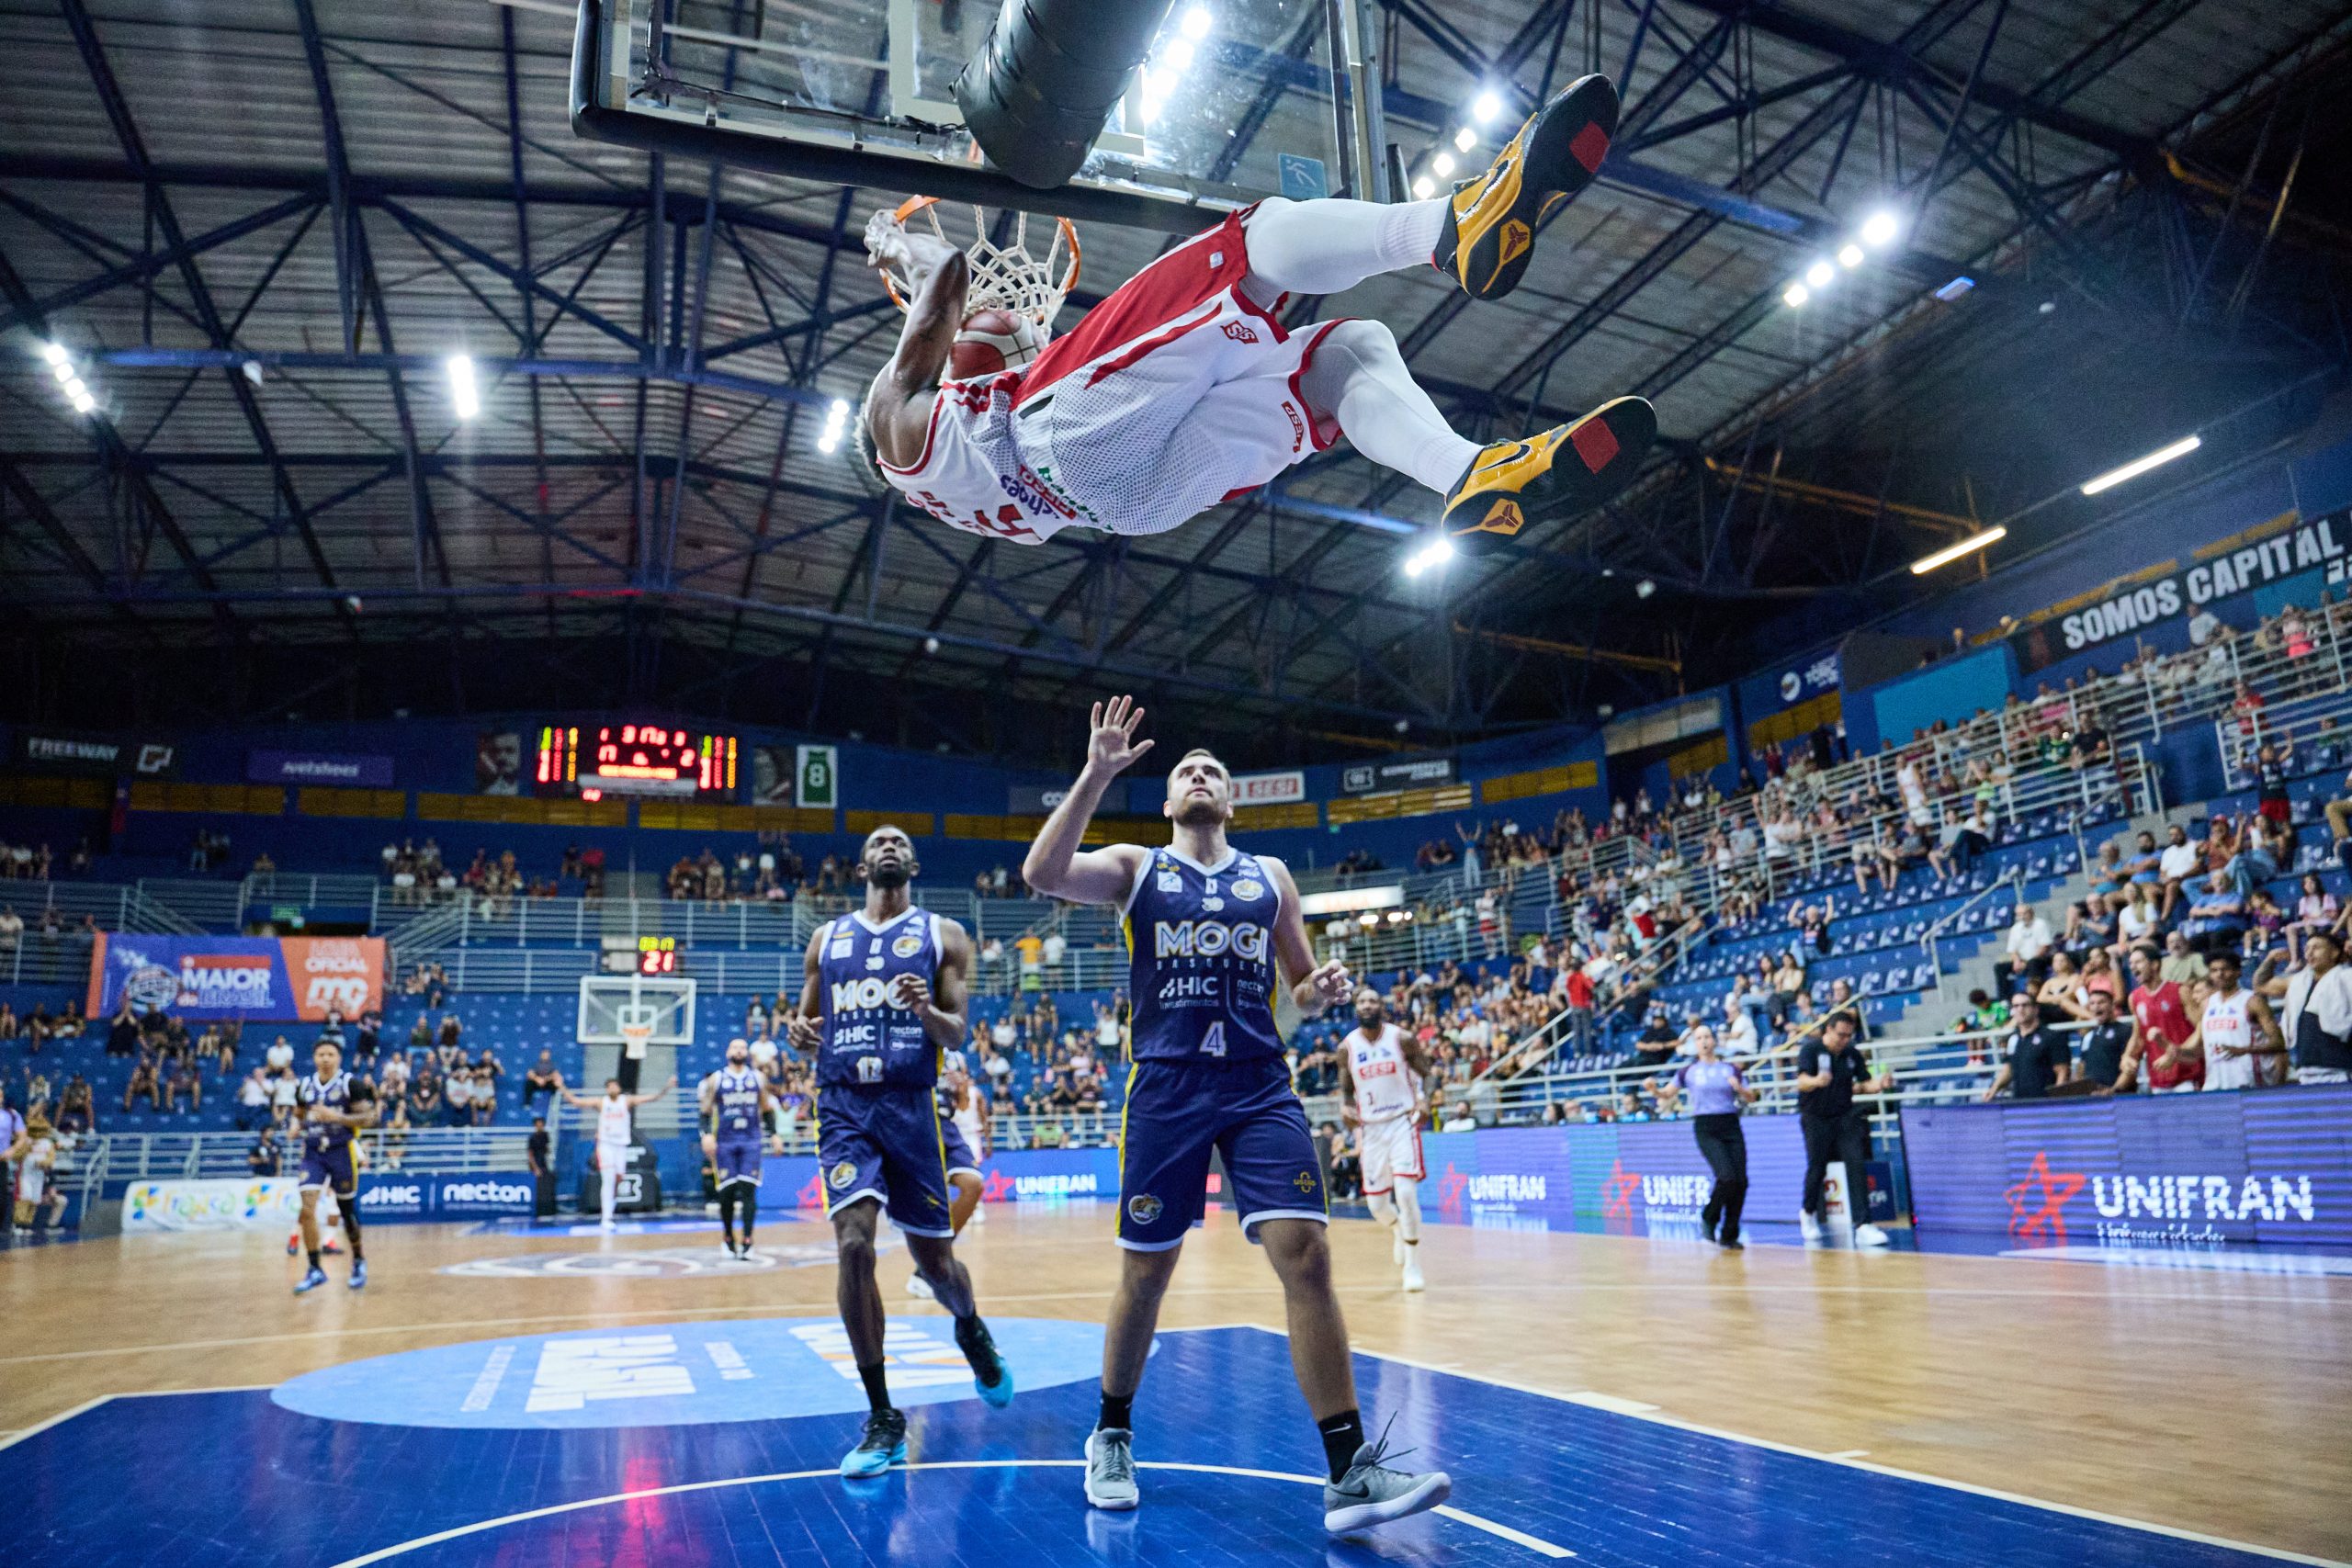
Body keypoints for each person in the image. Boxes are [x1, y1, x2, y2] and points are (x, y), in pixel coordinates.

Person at [858, 78, 1654, 561]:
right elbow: (950, 274)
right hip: (1063, 436)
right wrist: (894, 245)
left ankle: (1470, 475)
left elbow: (975, 358)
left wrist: (1007, 349)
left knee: (1344, 356)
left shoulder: (954, 487)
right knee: (1250, 245)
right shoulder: (889, 419)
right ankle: (1453, 225)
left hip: (1124, 507)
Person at [1021, 696, 1450, 1532]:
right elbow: (1042, 873)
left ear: (1230, 800)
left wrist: (1318, 989)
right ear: (1167, 802)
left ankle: (1349, 1470)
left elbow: (1300, 983)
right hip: (1168, 1086)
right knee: (1147, 1272)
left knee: (1308, 1255)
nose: (1199, 775)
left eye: (1212, 770)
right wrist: (1096, 773)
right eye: (1186, 770)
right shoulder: (1137, 868)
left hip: (1258, 1083)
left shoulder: (1271, 876)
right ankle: (1111, 1432)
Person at [785, 825, 1013, 1477]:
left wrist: (925, 1013)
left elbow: (957, 1031)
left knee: (936, 1264)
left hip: (913, 1108)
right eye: (878, 842)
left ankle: (969, 1326)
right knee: (854, 1244)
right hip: (844, 1108)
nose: (889, 845)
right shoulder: (827, 940)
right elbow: (806, 1026)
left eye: (899, 842)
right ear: (861, 865)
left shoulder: (945, 934)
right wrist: (799, 1032)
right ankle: (884, 1415)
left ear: (912, 863)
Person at [1338, 988, 1435, 1292]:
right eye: (1362, 1001)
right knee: (1377, 1205)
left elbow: (1428, 1074)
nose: (1367, 1005)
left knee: (1405, 1193)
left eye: (1373, 1000)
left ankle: (1413, 1264)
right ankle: (1397, 1229)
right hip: (1371, 1129)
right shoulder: (1347, 1048)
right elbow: (1346, 1091)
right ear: (1356, 1008)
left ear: (1382, 1007)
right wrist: (1345, 1107)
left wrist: (1424, 1100)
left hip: (1401, 1122)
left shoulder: (1401, 1038)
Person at [1793, 1011, 1894, 1247]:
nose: (1845, 1040)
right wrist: (1816, 1081)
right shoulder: (1811, 1050)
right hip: (1815, 1117)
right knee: (1817, 1167)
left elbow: (1864, 1083)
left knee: (1856, 1164)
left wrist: (1879, 1084)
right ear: (1829, 1030)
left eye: (1849, 1035)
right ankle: (1808, 1212)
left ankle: (1863, 1224)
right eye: (1841, 1035)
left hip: (1844, 1117)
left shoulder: (1851, 1054)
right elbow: (1801, 1081)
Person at [291, 1041, 379, 1295]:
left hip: (341, 1152)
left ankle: (359, 1260)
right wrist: (295, 1126)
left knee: (346, 1211)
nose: (326, 1058)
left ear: (339, 1058)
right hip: (313, 1153)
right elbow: (298, 1113)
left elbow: (369, 1118)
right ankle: (315, 1268)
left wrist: (337, 1117)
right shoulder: (304, 1085)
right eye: (321, 1054)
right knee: (307, 1209)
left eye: (331, 1054)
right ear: (314, 1057)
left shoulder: (351, 1084)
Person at [553, 1073, 675, 1230]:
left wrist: (667, 1087)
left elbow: (653, 1098)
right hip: (606, 1144)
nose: (612, 1088)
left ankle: (611, 1204)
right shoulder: (601, 1103)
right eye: (609, 1086)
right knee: (608, 1179)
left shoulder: (626, 1101)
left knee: (618, 1178)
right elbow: (575, 1101)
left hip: (621, 1145)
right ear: (606, 1089)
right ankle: (606, 1217)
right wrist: (561, 1086)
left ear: (619, 1088)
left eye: (615, 1085)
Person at [700, 1038, 786, 1259]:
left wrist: (774, 1134)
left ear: (747, 1053)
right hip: (725, 1141)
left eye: (742, 1047)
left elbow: (766, 1109)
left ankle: (748, 1240)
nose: (739, 1050)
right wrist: (706, 1134)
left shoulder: (757, 1078)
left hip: (751, 1140)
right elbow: (705, 1111)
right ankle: (728, 1237)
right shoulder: (717, 1079)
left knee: (748, 1189)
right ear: (727, 1052)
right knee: (727, 1192)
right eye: (735, 1047)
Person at [1674, 1025, 1756, 1250]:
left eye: (1707, 1037)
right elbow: (1668, 1093)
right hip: (1706, 1126)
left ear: (1714, 1041)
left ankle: (1729, 1234)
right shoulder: (1688, 1071)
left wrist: (1739, 1089)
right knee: (1726, 1176)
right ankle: (1709, 1218)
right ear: (1695, 1043)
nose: (1704, 1041)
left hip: (1730, 1123)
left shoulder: (1730, 1069)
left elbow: (1752, 1097)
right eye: (1699, 1038)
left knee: (1741, 1181)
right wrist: (1654, 1090)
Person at [2257, 930, 2352, 1085]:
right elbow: (2261, 985)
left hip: (2341, 1068)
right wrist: (2271, 959)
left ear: (2334, 952)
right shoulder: (2298, 981)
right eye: (2307, 948)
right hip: (2305, 1069)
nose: (2310, 953)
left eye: (2316, 948)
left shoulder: (2347, 976)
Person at [2189, 951, 2285, 1091]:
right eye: (2214, 970)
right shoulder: (2207, 1004)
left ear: (2238, 972)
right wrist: (2175, 1052)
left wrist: (2244, 1050)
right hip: (2215, 1083)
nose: (2220, 974)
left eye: (2225, 969)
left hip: (2249, 1082)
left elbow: (2279, 1043)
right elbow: (2200, 1046)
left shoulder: (2252, 1001)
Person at [1983, 993, 2073, 1100]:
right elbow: (2009, 1069)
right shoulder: (2013, 1039)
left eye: (2025, 1005)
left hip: (2045, 1103)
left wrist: (2057, 1102)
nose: (2020, 1009)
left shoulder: (2052, 1037)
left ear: (2036, 1009)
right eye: (2016, 1006)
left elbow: (2063, 1071)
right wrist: (1993, 1090)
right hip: (2020, 1103)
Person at [526, 1115, 555, 1219]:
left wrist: (549, 1155)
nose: (540, 1126)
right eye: (538, 1124)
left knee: (546, 1187)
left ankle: (546, 1210)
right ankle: (536, 1210)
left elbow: (547, 1149)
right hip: (535, 1164)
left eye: (541, 1124)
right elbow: (530, 1155)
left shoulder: (545, 1135)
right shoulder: (532, 1138)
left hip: (544, 1164)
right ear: (535, 1125)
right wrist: (535, 1168)